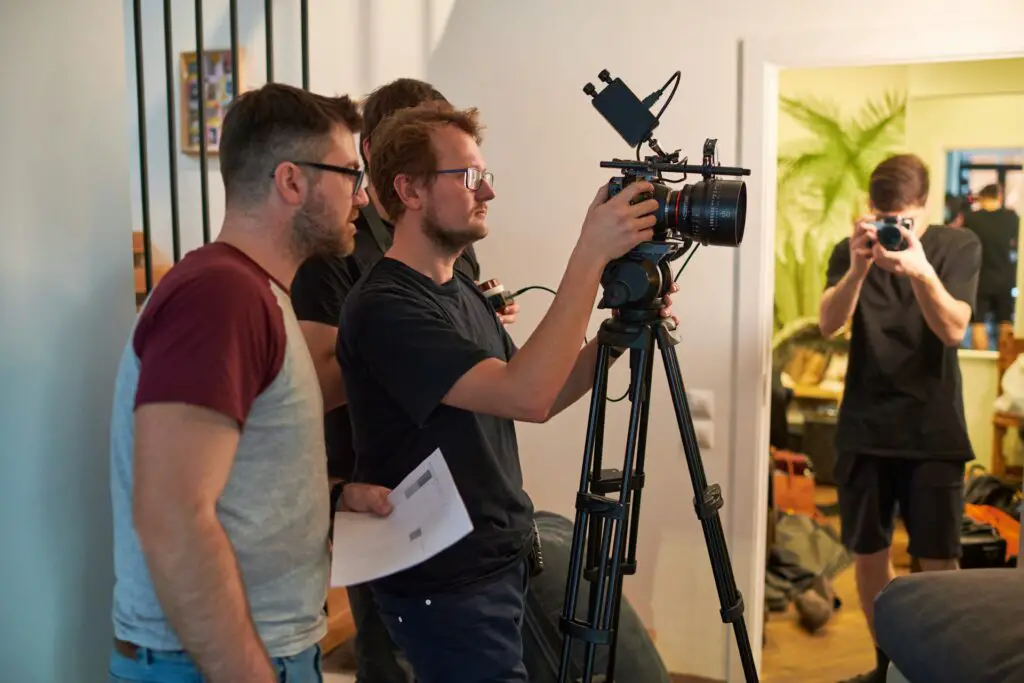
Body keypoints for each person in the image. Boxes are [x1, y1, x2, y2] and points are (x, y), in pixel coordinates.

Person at [336, 101, 676, 683]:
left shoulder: (461, 291)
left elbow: (544, 389)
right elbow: (527, 396)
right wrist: (589, 255)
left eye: (485, 176)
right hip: (446, 582)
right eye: (470, 177)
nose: (487, 192)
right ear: (410, 191)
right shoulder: (384, 307)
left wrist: (615, 335)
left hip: (499, 561)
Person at [106, 83, 393, 683]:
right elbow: (170, 513)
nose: (361, 197)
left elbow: (232, 475)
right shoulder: (221, 297)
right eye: (349, 174)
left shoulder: (255, 292)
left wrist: (330, 502)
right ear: (292, 182)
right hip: (213, 663)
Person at [290, 76, 519, 683]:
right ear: (391, 164)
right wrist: (410, 348)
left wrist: (468, 330)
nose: (480, 188)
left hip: (465, 499)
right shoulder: (341, 255)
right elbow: (320, 381)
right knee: (387, 660)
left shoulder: (456, 252)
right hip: (384, 485)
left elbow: (507, 378)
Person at [818, 153, 982, 683]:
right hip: (865, 428)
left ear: (924, 209)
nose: (895, 231)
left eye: (905, 222)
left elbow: (954, 329)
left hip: (933, 430)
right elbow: (827, 323)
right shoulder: (852, 251)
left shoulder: (959, 246)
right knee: (869, 556)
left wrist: (921, 270)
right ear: (871, 211)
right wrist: (860, 268)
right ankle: (886, 666)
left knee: (938, 563)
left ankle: (941, 671)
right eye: (885, 220)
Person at [963, 183, 1020, 350]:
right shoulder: (1011, 218)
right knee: (1005, 322)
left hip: (979, 278)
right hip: (1005, 277)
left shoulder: (972, 218)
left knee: (978, 323)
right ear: (999, 197)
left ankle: (981, 363)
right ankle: (1005, 364)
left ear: (982, 197)